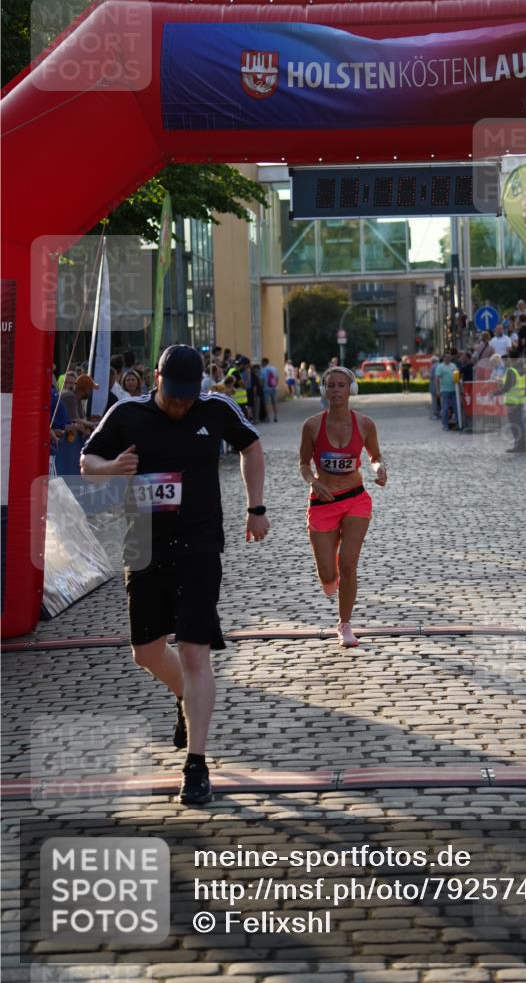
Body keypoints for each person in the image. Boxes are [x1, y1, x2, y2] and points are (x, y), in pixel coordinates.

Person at [80, 345, 269, 806]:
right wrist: (112, 467)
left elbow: (252, 446)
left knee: (194, 651)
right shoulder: (127, 414)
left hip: (200, 544)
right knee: (146, 652)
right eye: (173, 394)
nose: (181, 404)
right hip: (144, 545)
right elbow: (87, 462)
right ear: (156, 377)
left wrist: (256, 507)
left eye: (188, 396)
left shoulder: (216, 407)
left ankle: (196, 764)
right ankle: (187, 698)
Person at [299, 366, 387, 648]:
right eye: (331, 385)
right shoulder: (312, 425)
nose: (336, 390)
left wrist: (379, 468)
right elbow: (303, 464)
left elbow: (375, 456)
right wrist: (313, 481)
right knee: (328, 574)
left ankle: (345, 624)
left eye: (341, 385)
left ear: (351, 389)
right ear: (325, 390)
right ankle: (330, 575)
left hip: (355, 499)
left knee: (349, 563)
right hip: (323, 502)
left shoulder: (365, 424)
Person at [494, 349, 526, 453]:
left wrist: (495, 393)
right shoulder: (522, 369)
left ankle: (519, 446)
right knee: (519, 423)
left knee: (515, 425)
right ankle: (522, 445)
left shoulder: (511, 371)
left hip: (513, 401)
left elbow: (507, 387)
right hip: (520, 400)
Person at [434, 352, 459, 430]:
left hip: (454, 389)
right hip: (444, 390)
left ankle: (457, 423)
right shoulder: (440, 366)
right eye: (447, 357)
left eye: (450, 357)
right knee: (445, 408)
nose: (448, 358)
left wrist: (459, 388)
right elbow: (437, 379)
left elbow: (457, 376)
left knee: (456, 407)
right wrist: (438, 390)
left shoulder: (453, 365)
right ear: (444, 358)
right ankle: (445, 425)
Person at [261, 356, 279, 422]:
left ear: (264, 362)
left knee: (267, 403)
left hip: (266, 388)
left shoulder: (263, 369)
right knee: (274, 402)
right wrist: (275, 385)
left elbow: (262, 380)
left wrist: (261, 386)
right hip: (274, 387)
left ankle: (268, 417)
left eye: (262, 362)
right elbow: (277, 378)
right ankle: (275, 416)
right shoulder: (274, 368)